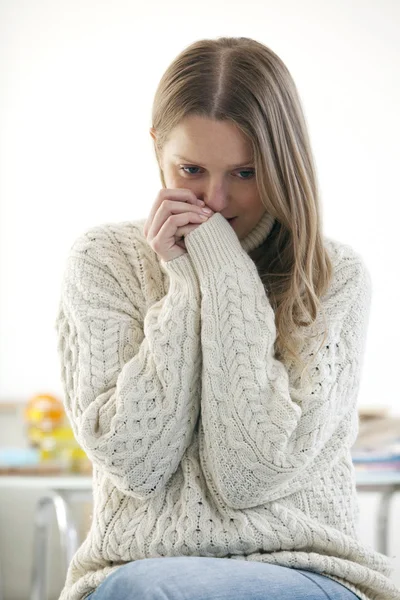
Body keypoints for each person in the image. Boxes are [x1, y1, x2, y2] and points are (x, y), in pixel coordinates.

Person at [54, 36, 400, 600]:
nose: (215, 200)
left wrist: (223, 272)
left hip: (307, 569)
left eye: (244, 173)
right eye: (191, 169)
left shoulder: (333, 277)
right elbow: (134, 464)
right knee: (149, 589)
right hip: (138, 573)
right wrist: (186, 286)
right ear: (156, 150)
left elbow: (250, 474)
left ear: (283, 163)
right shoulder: (104, 261)